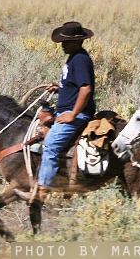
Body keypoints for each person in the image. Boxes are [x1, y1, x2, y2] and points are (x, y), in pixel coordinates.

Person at [31, 21, 97, 202]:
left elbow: (86, 89)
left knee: (51, 144)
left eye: (66, 42)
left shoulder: (81, 60)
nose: (63, 45)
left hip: (76, 113)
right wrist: (60, 87)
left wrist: (73, 115)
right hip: (66, 109)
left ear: (77, 41)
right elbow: (76, 86)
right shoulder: (74, 58)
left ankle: (43, 191)